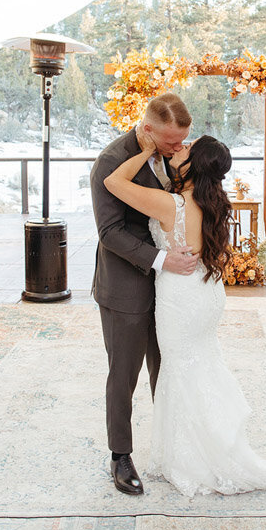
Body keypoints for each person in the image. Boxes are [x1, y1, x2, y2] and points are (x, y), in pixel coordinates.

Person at [104, 133, 266, 497]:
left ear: (195, 165)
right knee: (199, 367)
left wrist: (147, 149)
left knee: (181, 372)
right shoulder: (213, 202)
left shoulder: (172, 205)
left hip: (180, 298)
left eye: (188, 148)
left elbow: (113, 182)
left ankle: (194, 457)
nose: (180, 147)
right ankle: (203, 446)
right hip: (206, 295)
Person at [90, 92, 199, 496]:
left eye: (182, 140)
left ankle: (170, 448)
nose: (178, 148)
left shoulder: (171, 153)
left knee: (166, 368)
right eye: (171, 141)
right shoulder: (111, 162)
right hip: (125, 287)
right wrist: (160, 260)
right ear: (148, 130)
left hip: (169, 290)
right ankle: (120, 455)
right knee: (124, 374)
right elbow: (109, 233)